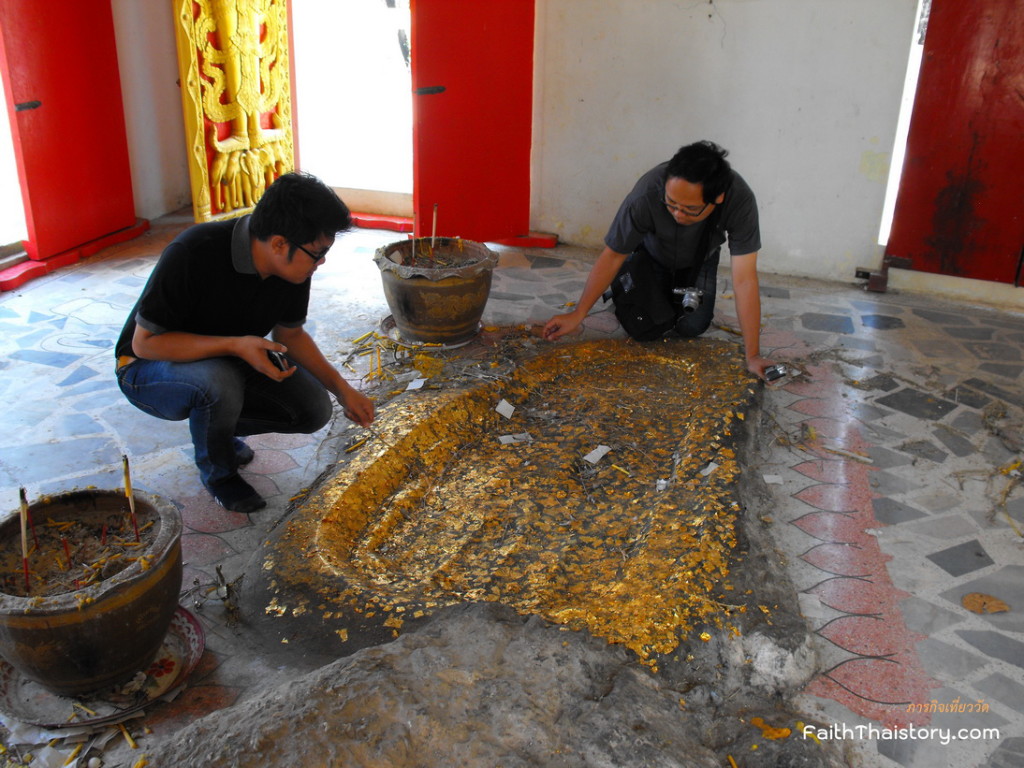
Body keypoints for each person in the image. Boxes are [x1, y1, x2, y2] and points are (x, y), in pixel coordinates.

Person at [115, 172, 375, 514]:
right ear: (280, 243)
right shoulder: (195, 250)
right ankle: (219, 473)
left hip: (228, 357)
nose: (321, 262)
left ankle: (213, 431)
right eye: (318, 253)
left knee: (313, 409)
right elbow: (146, 344)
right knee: (216, 382)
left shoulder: (292, 267)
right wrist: (237, 345)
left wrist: (344, 391)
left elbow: (290, 335)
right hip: (147, 369)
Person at [543, 140, 775, 379]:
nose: (677, 214)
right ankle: (631, 279)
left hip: (701, 259)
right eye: (671, 203)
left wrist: (753, 355)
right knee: (645, 328)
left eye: (689, 209)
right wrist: (578, 313)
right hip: (651, 254)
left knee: (692, 327)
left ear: (717, 199)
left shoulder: (740, 199)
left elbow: (745, 279)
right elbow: (612, 255)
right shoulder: (647, 192)